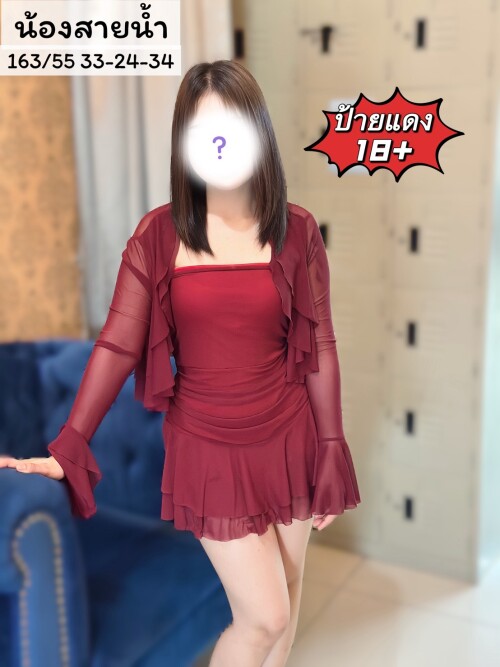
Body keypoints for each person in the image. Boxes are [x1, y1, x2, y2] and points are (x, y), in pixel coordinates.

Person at [1, 60, 361, 666]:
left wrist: (329, 446)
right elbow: (117, 345)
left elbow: (320, 344)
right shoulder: (159, 236)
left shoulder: (297, 230)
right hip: (208, 445)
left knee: (289, 601)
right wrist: (71, 443)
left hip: (289, 434)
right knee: (264, 616)